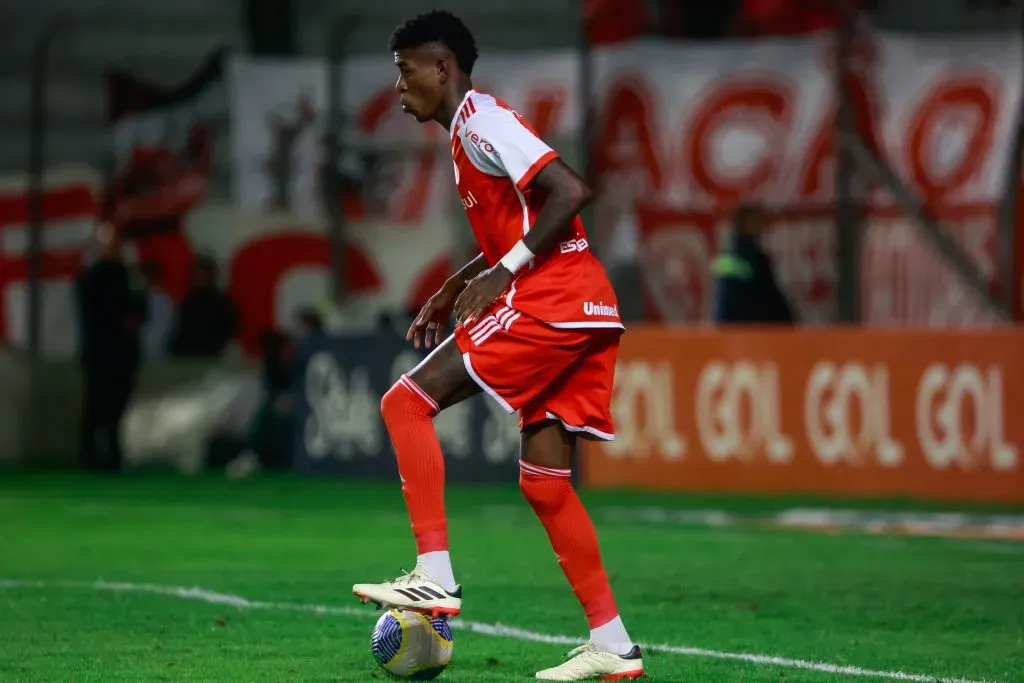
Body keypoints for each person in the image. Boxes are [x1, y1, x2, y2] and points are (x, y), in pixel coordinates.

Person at [351, 11, 642, 681]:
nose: (398, 88)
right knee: (544, 484)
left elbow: (571, 189)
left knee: (405, 402)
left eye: (405, 71)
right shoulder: (467, 133)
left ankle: (434, 575)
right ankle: (615, 644)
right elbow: (529, 215)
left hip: (553, 300)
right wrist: (460, 282)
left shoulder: (482, 121)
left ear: (441, 68)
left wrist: (502, 272)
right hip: (587, 308)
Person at [76, 222, 147, 471]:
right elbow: (94, 314)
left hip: (123, 353)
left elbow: (141, 309)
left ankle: (113, 454)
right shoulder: (92, 277)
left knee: (119, 404)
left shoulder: (129, 276)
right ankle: (90, 455)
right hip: (101, 352)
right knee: (97, 404)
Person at [712, 203, 797, 324]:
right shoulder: (753, 259)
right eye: (760, 220)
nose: (765, 226)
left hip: (737, 333)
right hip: (753, 334)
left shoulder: (729, 258)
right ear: (747, 223)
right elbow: (768, 301)